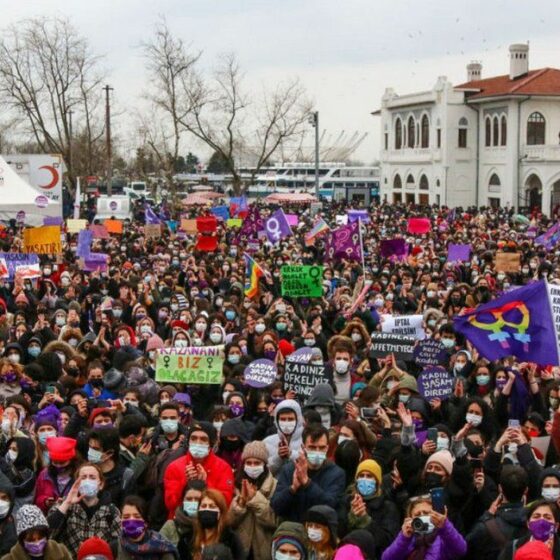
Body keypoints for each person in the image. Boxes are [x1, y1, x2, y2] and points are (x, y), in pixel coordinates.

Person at [271, 424, 346, 523]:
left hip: (320, 530)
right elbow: (276, 507)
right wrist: (292, 489)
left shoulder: (336, 474)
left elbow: (330, 505)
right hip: (293, 530)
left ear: (327, 448)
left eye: (321, 447)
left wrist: (307, 484)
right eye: (312, 447)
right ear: (303, 447)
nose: (317, 451)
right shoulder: (289, 470)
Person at [46, 463, 121, 557]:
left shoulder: (112, 511)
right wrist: (67, 503)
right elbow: (48, 533)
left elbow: (118, 546)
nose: (87, 481)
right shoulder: (65, 505)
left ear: (101, 484)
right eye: (83, 477)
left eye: (92, 477)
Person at [163, 423, 234, 517]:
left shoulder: (224, 468)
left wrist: (205, 485)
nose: (198, 442)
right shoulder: (174, 467)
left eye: (203, 439)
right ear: (188, 441)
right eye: (193, 438)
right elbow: (170, 504)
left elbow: (225, 503)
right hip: (180, 523)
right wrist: (187, 484)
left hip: (210, 524)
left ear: (211, 444)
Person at [466, 465, 529, 559]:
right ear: (526, 490)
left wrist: (487, 515)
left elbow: (466, 545)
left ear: (500, 488)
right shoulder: (534, 523)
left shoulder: (486, 526)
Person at [229, 441, 277, 560]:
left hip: (264, 550)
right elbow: (229, 522)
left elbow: (274, 521)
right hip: (239, 549)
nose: (252, 466)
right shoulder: (235, 484)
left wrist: (255, 499)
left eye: (257, 463)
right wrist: (240, 504)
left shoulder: (275, 486)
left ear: (264, 464)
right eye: (248, 463)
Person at [381, 496, 467, 560]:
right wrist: (404, 538)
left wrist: (445, 526)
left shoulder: (442, 538)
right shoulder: (409, 540)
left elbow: (461, 549)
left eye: (426, 513)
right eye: (417, 515)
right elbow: (386, 558)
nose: (422, 516)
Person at [345, 459, 400, 552]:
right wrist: (352, 517)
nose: (365, 479)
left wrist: (365, 520)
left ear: (377, 482)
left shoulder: (388, 507)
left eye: (369, 476)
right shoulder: (347, 501)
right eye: (361, 476)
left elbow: (387, 541)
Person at [1, 504, 72, 560]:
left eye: (40, 537)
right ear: (22, 540)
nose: (37, 543)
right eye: (30, 540)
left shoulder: (62, 553)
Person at [117, 495, 178, 559]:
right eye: (126, 517)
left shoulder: (163, 548)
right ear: (121, 521)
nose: (131, 520)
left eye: (137, 517)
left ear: (145, 522)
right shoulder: (117, 545)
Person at [192, 489, 246, 560]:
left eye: (212, 506)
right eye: (204, 506)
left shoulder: (231, 540)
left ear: (220, 512)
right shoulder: (190, 538)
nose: (207, 509)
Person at [160, 480, 206, 558]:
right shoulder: (171, 526)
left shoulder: (211, 527)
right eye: (189, 499)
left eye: (197, 499)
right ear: (183, 500)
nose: (193, 502)